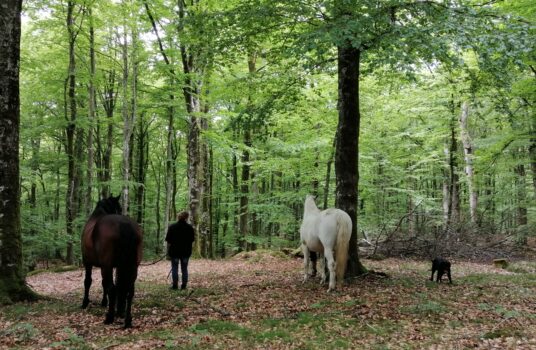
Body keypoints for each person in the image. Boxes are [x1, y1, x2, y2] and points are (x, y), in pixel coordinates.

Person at [165, 211, 195, 290]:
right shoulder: (189, 227)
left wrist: (169, 250)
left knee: (175, 268)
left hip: (174, 252)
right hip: (186, 252)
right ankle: (184, 286)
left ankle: (175, 286)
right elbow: (192, 240)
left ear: (178, 217)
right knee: (184, 268)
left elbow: (168, 240)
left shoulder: (172, 227)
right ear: (186, 217)